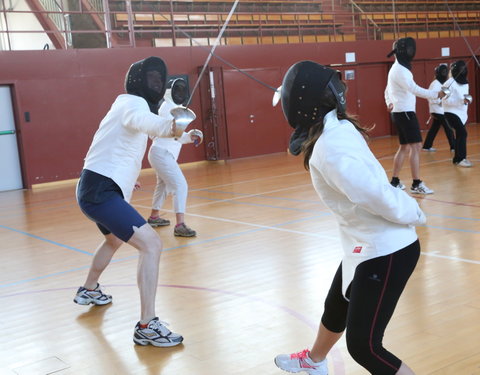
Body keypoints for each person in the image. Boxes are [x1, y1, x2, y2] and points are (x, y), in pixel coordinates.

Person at [273, 61, 426, 375]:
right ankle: (314, 362)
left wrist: (413, 211)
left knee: (365, 346)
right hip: (361, 244)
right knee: (336, 305)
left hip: (386, 249)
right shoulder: (333, 129)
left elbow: (374, 194)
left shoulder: (332, 147)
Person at [74, 56, 187, 347]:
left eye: (158, 79)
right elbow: (152, 125)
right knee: (152, 244)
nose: (156, 83)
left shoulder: (124, 106)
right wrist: (175, 126)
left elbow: (132, 140)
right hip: (100, 192)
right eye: (151, 78)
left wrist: (125, 178)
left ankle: (88, 289)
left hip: (96, 186)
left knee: (113, 240)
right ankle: (147, 325)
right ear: (138, 81)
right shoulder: (130, 104)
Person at [384, 37, 446, 194]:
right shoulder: (400, 70)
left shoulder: (397, 68)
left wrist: (389, 102)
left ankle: (395, 181)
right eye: (410, 50)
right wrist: (435, 94)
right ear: (403, 51)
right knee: (416, 146)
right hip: (405, 113)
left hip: (400, 112)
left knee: (404, 146)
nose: (412, 52)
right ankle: (416, 183)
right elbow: (414, 89)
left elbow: (387, 90)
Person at [147, 78, 203, 237]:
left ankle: (154, 217)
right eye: (177, 90)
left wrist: (190, 136)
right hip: (162, 153)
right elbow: (172, 131)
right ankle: (180, 225)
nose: (180, 93)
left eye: (181, 90)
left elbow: (176, 136)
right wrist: (185, 133)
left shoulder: (174, 108)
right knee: (180, 185)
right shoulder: (168, 108)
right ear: (170, 92)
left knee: (163, 186)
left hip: (161, 153)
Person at [443, 60, 473, 167]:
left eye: (464, 69)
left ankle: (457, 159)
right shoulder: (449, 83)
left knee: (460, 134)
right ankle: (461, 159)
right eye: (460, 69)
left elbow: (465, 97)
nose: (462, 71)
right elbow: (444, 101)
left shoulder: (465, 82)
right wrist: (461, 101)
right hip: (450, 112)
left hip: (461, 113)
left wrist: (468, 99)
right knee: (463, 133)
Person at [422, 64, 455, 152]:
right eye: (443, 72)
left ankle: (426, 146)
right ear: (439, 73)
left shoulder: (443, 83)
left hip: (440, 110)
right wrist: (440, 102)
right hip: (437, 110)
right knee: (448, 127)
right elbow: (430, 97)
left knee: (434, 128)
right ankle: (454, 147)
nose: (444, 74)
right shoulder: (435, 84)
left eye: (445, 72)